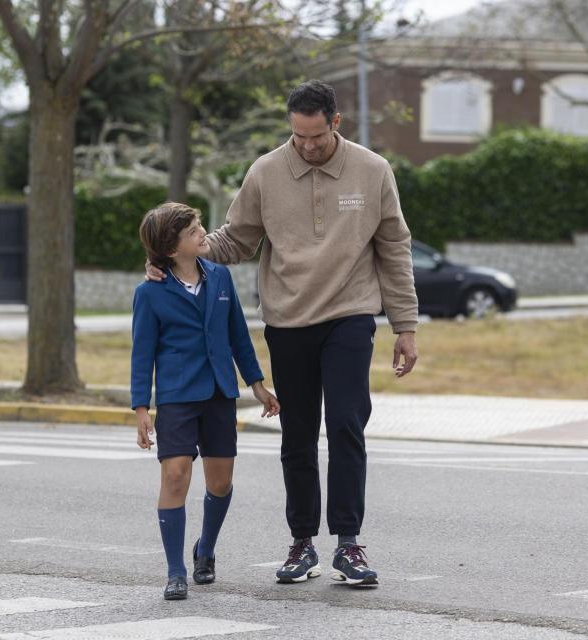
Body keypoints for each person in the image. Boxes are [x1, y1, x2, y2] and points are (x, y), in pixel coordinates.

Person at [146, 80, 419, 588]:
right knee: (296, 436)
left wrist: (405, 325)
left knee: (345, 424)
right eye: (298, 136)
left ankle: (348, 543)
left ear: (335, 123)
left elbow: (394, 249)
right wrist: (171, 254)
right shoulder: (266, 173)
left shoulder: (373, 170)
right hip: (288, 320)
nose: (307, 147)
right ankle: (301, 543)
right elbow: (235, 241)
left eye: (316, 137)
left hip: (350, 314)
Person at [131, 202, 280, 600]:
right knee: (175, 476)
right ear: (171, 246)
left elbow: (237, 337)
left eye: (199, 226)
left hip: (219, 393)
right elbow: (141, 353)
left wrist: (257, 383)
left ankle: (206, 550)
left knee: (221, 481)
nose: (203, 233)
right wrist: (141, 409)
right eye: (193, 230)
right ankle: (175, 571)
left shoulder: (221, 278)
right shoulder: (149, 292)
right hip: (178, 396)